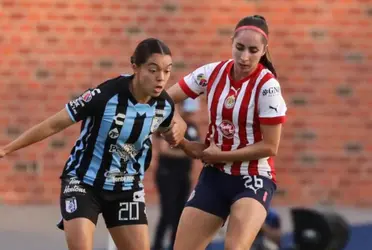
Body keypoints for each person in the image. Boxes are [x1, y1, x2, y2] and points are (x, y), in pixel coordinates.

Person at [0, 38, 185, 250]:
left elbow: (174, 128)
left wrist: (186, 135)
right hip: (84, 182)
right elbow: (53, 124)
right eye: (153, 70)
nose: (161, 78)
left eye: (167, 71)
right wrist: (7, 148)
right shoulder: (104, 96)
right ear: (135, 67)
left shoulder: (163, 104)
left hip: (126, 187)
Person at [162, 15, 288, 250]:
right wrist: (181, 137)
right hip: (215, 176)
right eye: (239, 47)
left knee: (234, 247)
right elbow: (164, 101)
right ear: (231, 42)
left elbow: (271, 147)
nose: (244, 57)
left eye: (253, 50)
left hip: (253, 178)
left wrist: (219, 155)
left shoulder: (268, 86)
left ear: (263, 50)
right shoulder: (212, 72)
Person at [152, 99, 200, 250]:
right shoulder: (169, 124)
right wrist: (188, 152)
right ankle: (158, 246)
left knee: (180, 213)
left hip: (183, 175)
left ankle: (174, 246)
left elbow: (198, 147)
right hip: (167, 174)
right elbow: (164, 150)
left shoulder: (192, 127)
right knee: (168, 212)